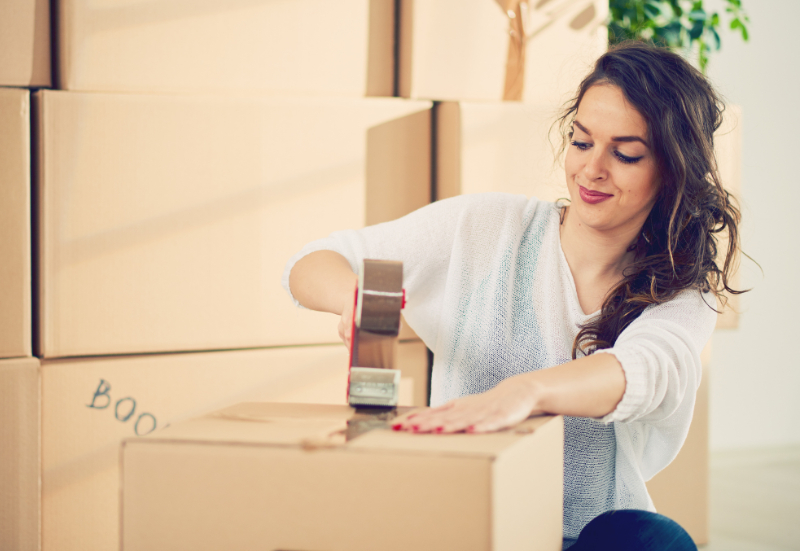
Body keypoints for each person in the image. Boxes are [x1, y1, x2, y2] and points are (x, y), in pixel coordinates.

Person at [282, 41, 743, 550]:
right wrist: (356, 300)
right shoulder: (487, 229)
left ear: (672, 170)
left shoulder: (681, 290)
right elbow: (315, 260)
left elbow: (645, 369)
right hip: (467, 525)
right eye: (582, 141)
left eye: (626, 153)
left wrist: (525, 392)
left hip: (590, 538)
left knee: (654, 541)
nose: (592, 170)